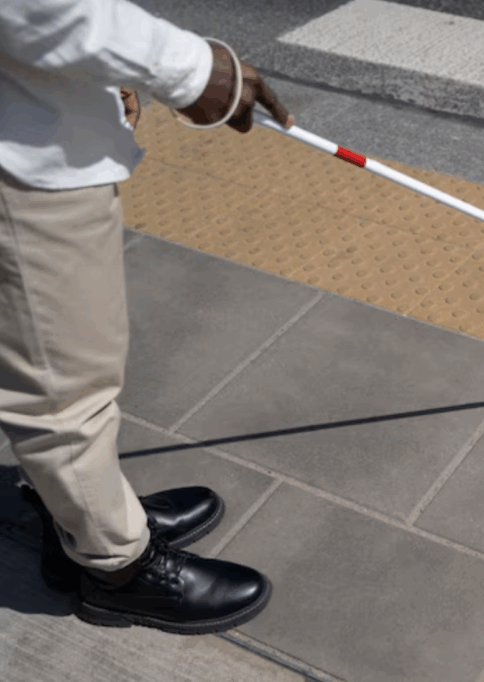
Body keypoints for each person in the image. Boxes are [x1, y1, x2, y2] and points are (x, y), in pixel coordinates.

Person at [1, 0, 293, 634]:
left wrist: (104, 71)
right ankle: (116, 568)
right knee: (64, 384)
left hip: (33, 105)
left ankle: (78, 517)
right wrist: (189, 69)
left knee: (51, 358)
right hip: (19, 146)